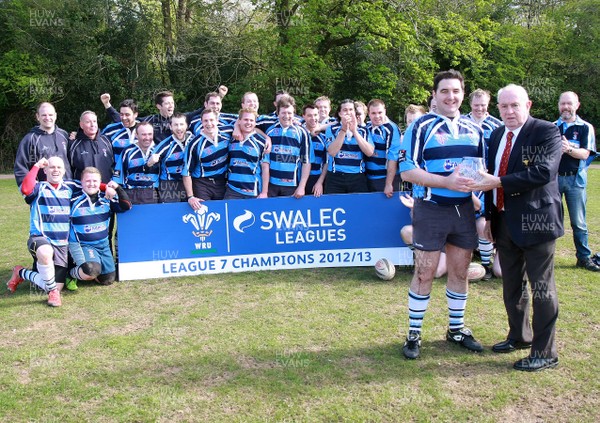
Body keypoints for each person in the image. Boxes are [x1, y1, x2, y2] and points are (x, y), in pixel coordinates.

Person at [470, 84, 563, 372]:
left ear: (528, 104)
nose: (509, 111)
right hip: (503, 221)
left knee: (542, 288)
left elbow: (542, 172)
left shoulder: (546, 131)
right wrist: (487, 215)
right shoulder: (497, 134)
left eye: (515, 105)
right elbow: (487, 176)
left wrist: (497, 183)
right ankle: (519, 335)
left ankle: (545, 352)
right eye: (504, 106)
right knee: (511, 285)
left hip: (538, 223)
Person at [399, 69, 485, 360]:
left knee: (460, 271)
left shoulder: (476, 129)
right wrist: (446, 182)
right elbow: (407, 170)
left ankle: (456, 329)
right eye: (444, 91)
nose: (451, 96)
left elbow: (479, 172)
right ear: (434, 95)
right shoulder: (421, 126)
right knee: (424, 272)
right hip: (431, 209)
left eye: (456, 91)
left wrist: (477, 195)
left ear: (463, 94)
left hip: (463, 212)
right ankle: (414, 334)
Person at [7, 157, 73, 306]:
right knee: (44, 253)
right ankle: (53, 294)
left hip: (62, 244)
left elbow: (91, 184)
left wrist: (106, 187)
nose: (55, 170)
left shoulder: (70, 187)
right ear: (45, 170)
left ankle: (21, 272)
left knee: (54, 285)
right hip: (40, 238)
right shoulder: (38, 187)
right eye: (51, 167)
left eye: (59, 167)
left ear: (64, 171)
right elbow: (25, 189)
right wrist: (36, 165)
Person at [554, 91, 599, 271]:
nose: (565, 107)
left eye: (569, 103)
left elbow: (586, 153)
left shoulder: (585, 127)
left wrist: (567, 149)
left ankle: (584, 257)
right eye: (562, 103)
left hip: (575, 181)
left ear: (577, 105)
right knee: (551, 221)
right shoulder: (551, 127)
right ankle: (546, 257)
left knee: (578, 222)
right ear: (558, 105)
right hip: (554, 180)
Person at [69, 167, 131, 286]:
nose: (91, 184)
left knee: (108, 280)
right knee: (91, 270)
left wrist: (117, 187)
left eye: (95, 181)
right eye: (87, 181)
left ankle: (94, 267)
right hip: (84, 245)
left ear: (100, 182)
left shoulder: (106, 198)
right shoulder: (72, 200)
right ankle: (69, 274)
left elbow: (126, 206)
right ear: (81, 182)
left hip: (103, 245)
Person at [256, 95, 311, 198]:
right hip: (271, 185)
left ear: (294, 113)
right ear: (278, 113)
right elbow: (251, 127)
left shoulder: (302, 132)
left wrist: (302, 187)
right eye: (283, 113)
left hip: (292, 185)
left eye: (289, 113)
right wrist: (266, 138)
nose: (287, 116)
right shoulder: (270, 129)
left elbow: (306, 162)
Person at [14, 102, 72, 187]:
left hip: (67, 189)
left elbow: (73, 161)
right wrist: (29, 188)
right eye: (44, 115)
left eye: (50, 115)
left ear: (55, 116)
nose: (48, 118)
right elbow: (21, 168)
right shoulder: (30, 139)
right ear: (38, 116)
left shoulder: (64, 135)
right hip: (43, 191)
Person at [183, 109, 231, 209]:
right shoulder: (194, 144)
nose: (209, 124)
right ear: (201, 122)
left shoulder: (228, 135)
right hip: (202, 184)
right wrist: (190, 197)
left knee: (221, 213)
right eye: (205, 121)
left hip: (222, 183)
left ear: (217, 120)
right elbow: (186, 172)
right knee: (204, 213)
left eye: (211, 120)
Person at [324, 99, 374, 194]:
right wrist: (343, 130)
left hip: (357, 177)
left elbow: (370, 152)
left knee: (358, 207)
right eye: (345, 110)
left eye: (351, 110)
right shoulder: (332, 129)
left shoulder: (364, 131)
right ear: (339, 113)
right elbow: (332, 152)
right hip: (335, 176)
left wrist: (354, 131)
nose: (348, 113)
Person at [224, 108, 270, 199]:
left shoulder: (262, 142)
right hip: (232, 189)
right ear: (239, 121)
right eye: (245, 119)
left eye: (251, 120)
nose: (248, 122)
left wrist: (264, 192)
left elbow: (265, 168)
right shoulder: (230, 138)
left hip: (252, 191)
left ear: (255, 122)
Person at [147, 113, 192, 203]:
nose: (179, 128)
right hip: (169, 184)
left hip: (190, 181)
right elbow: (147, 165)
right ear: (170, 127)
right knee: (171, 213)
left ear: (186, 126)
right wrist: (150, 162)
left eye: (181, 124)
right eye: (175, 125)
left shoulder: (193, 140)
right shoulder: (164, 145)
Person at [113, 122, 159, 204]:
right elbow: (118, 176)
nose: (147, 137)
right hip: (131, 192)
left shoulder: (159, 150)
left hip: (151, 193)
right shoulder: (127, 152)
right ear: (136, 135)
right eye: (143, 134)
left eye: (150, 134)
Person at [365, 99, 401, 192]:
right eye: (373, 113)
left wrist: (388, 184)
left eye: (380, 112)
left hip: (384, 179)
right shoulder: (366, 127)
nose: (377, 116)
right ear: (368, 113)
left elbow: (392, 158)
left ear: (385, 111)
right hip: (368, 179)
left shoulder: (391, 129)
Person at [68, 111, 114, 183]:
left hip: (106, 189)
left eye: (94, 121)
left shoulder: (107, 141)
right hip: (83, 190)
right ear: (81, 125)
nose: (92, 125)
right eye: (88, 122)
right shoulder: (73, 144)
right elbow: (68, 169)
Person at [101, 98, 139, 164]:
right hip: (117, 172)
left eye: (127, 115)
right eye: (121, 114)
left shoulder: (145, 130)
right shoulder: (110, 130)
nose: (124, 118)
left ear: (135, 114)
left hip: (139, 172)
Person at [302, 104, 328, 197]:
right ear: (303, 116)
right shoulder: (298, 134)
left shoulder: (324, 137)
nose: (313, 118)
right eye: (309, 115)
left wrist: (320, 182)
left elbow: (326, 162)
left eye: (315, 115)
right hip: (298, 179)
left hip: (317, 180)